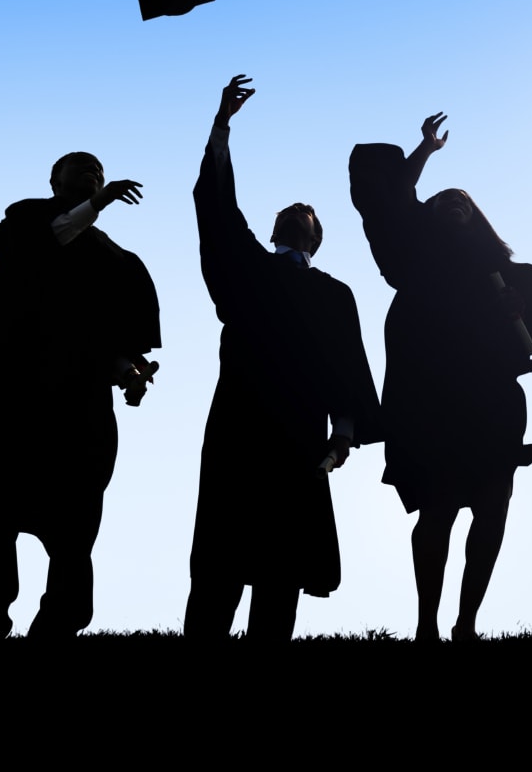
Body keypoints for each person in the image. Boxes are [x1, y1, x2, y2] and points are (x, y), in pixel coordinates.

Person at [184, 75, 382, 640]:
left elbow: (348, 368)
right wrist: (222, 126)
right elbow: (218, 214)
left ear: (317, 237)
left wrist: (343, 432)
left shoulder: (335, 294)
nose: (299, 213)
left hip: (299, 434)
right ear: (275, 230)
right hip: (238, 425)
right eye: (291, 211)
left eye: (308, 213)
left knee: (281, 563)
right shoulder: (249, 270)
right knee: (222, 553)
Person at [349, 112, 532, 642]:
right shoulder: (414, 259)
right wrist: (423, 153)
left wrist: (516, 312)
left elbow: (524, 348)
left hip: (490, 404)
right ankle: (426, 625)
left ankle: (467, 623)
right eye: (442, 198)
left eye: (463, 198)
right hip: (432, 400)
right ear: (426, 215)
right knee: (437, 512)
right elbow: (388, 201)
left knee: (492, 507)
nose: (453, 199)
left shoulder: (505, 275)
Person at [0, 150, 159, 638]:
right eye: (79, 165)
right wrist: (96, 205)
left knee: (75, 523)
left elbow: (107, 338)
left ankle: (59, 624)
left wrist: (129, 372)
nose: (92, 172)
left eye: (98, 170)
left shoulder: (116, 261)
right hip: (13, 398)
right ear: (54, 179)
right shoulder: (24, 220)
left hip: (78, 408)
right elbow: (38, 242)